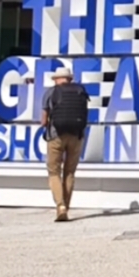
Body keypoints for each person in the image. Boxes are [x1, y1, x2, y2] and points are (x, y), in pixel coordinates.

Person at [40, 67, 90, 221]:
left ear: (57, 79)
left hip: (56, 136)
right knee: (69, 172)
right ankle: (66, 207)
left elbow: (44, 121)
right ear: (70, 79)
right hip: (76, 135)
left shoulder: (51, 92)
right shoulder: (80, 91)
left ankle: (60, 206)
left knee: (54, 172)